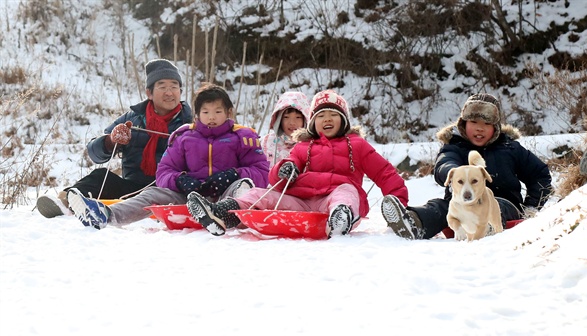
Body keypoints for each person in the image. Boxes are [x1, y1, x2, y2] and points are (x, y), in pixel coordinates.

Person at [186, 89, 409, 238]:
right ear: (313, 122)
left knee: (347, 190)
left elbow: (385, 173)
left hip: (332, 201)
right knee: (259, 193)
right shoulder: (303, 146)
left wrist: (398, 207)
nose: (327, 119)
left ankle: (341, 218)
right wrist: (284, 170)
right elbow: (277, 176)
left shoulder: (356, 145)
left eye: (334, 114)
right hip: (301, 202)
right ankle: (223, 213)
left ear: (345, 120)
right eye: (321, 116)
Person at [67, 82, 269, 229]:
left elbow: (261, 171)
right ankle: (106, 215)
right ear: (197, 114)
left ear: (228, 112)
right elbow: (164, 171)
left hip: (226, 194)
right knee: (152, 193)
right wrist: (181, 180)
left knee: (244, 187)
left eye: (218, 112)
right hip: (192, 198)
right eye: (206, 112)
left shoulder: (243, 136)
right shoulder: (184, 136)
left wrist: (233, 174)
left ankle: (227, 216)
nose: (212, 118)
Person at [381, 93, 553, 240]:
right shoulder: (455, 146)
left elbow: (539, 174)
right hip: (459, 203)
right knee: (440, 208)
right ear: (463, 124)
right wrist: (451, 173)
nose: (480, 129)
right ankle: (414, 222)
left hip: (503, 203)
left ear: (496, 127)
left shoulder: (510, 148)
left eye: (486, 124)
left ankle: (488, 227)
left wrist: (530, 207)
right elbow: (444, 163)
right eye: (473, 122)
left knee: (495, 205)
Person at [36, 59, 194, 218]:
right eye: (162, 87)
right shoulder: (133, 120)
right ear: (149, 93)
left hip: (169, 191)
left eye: (174, 87)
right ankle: (64, 203)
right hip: (132, 189)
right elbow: (94, 153)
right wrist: (111, 141)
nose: (169, 92)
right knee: (100, 176)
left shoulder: (192, 123)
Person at [261, 91, 310, 165]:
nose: (292, 122)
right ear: (279, 119)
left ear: (305, 120)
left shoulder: (311, 145)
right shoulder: (266, 142)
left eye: (298, 117)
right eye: (286, 117)